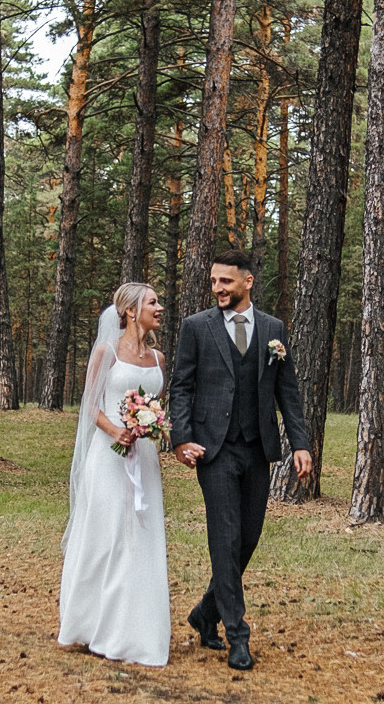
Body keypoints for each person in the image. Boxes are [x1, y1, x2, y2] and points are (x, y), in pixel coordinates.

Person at [169, 249, 312, 671]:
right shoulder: (196, 327)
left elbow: (289, 393)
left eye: (226, 281)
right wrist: (181, 439)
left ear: (247, 282)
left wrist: (300, 443)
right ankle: (237, 635)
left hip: (258, 448)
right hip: (214, 449)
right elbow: (181, 386)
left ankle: (204, 613)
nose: (218, 288)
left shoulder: (273, 329)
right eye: (214, 281)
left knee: (247, 539)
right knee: (225, 538)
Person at [58, 283, 171, 667]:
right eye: (153, 302)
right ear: (129, 311)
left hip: (145, 458)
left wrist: (153, 425)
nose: (159, 307)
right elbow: (90, 406)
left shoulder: (158, 358)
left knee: (140, 539)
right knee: (106, 537)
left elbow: (157, 404)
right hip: (108, 457)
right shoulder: (106, 352)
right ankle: (90, 624)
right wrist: (115, 431)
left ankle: (133, 630)